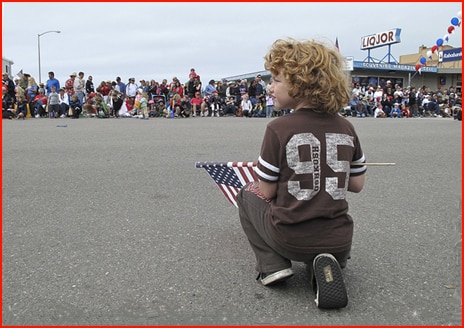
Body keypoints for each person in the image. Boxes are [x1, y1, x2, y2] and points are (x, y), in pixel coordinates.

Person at [236, 38, 366, 310]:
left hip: (291, 240)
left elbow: (268, 191)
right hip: (340, 239)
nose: (270, 87)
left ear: (300, 82)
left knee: (247, 194)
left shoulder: (278, 128)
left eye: (276, 79)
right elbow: (357, 184)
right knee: (325, 239)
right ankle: (326, 263)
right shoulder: (346, 128)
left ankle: (272, 265)